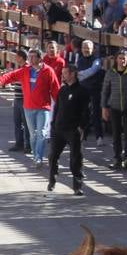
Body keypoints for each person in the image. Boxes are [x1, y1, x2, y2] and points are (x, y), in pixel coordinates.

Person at [48, 64, 90, 194]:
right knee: (53, 156)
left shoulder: (82, 91)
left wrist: (81, 127)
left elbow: (86, 111)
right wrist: (53, 125)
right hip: (59, 129)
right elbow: (56, 108)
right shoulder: (62, 90)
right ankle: (52, 181)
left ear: (72, 74)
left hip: (73, 130)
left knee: (75, 159)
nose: (63, 75)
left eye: (65, 73)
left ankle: (77, 186)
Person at [101, 49, 127, 168]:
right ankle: (117, 158)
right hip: (114, 106)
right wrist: (104, 107)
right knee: (116, 134)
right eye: (120, 58)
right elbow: (105, 91)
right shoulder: (110, 73)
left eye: (124, 58)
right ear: (116, 59)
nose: (122, 61)